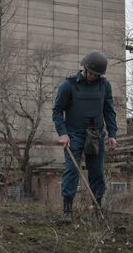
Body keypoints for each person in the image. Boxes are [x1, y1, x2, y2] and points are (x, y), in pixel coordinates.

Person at [52, 50, 118, 222]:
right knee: (72, 170)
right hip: (73, 134)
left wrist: (112, 134)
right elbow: (57, 111)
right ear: (85, 68)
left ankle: (97, 209)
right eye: (90, 72)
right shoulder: (69, 85)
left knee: (96, 172)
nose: (92, 76)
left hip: (96, 134)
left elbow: (109, 111)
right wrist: (63, 133)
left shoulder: (105, 85)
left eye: (96, 74)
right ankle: (67, 210)